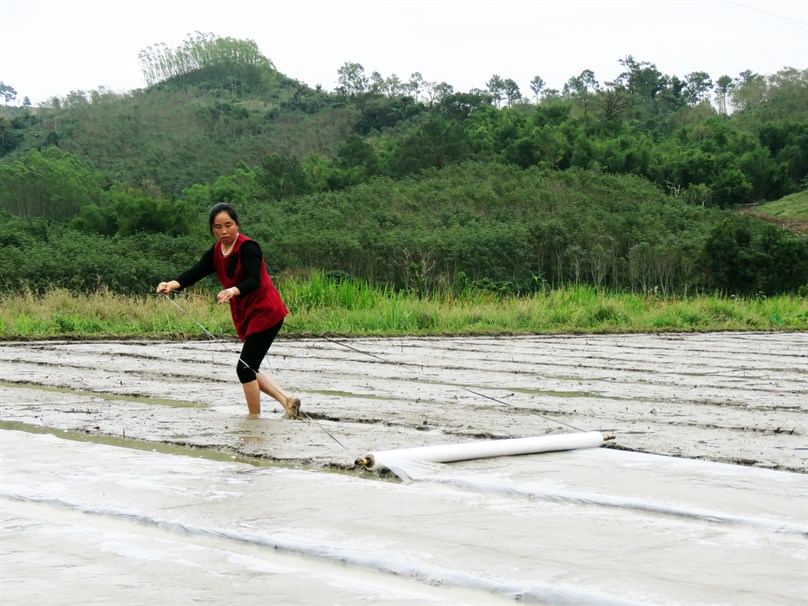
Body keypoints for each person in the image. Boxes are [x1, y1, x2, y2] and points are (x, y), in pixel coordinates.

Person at [156, 202, 301, 419]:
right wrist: (172, 284)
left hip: (266, 312)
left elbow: (254, 279)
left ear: (237, 224)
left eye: (228, 225)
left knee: (244, 369)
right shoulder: (216, 252)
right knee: (249, 366)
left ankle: (254, 420)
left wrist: (233, 290)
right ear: (212, 229)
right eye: (218, 227)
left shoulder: (248, 248)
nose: (224, 231)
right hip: (247, 313)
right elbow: (196, 271)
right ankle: (287, 402)